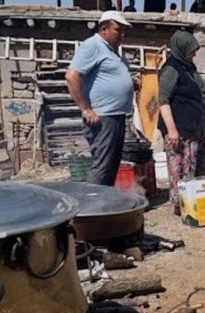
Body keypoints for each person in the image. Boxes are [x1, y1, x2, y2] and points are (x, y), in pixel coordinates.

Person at [66, 11, 138, 186]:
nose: (122, 35)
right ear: (104, 28)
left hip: (116, 115)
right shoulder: (93, 46)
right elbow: (72, 76)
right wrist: (86, 109)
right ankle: (93, 206)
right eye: (118, 30)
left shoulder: (112, 50)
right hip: (103, 116)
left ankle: (105, 206)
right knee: (103, 166)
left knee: (111, 165)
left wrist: (131, 82)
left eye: (123, 31)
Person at [158, 30, 205, 216]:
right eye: (191, 50)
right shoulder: (171, 69)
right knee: (181, 167)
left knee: (195, 167)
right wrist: (172, 130)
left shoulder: (188, 67)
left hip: (195, 126)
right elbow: (162, 100)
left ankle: (195, 201)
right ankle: (182, 204)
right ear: (181, 48)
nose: (194, 54)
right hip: (181, 129)